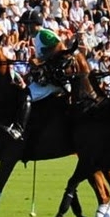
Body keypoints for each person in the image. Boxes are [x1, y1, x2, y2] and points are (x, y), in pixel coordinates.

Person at [14, 11, 69, 141]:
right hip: (49, 78)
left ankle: (19, 130)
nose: (25, 28)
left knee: (26, 95)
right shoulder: (37, 37)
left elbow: (60, 46)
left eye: (26, 25)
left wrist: (40, 60)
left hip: (54, 81)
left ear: (33, 24)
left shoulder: (43, 34)